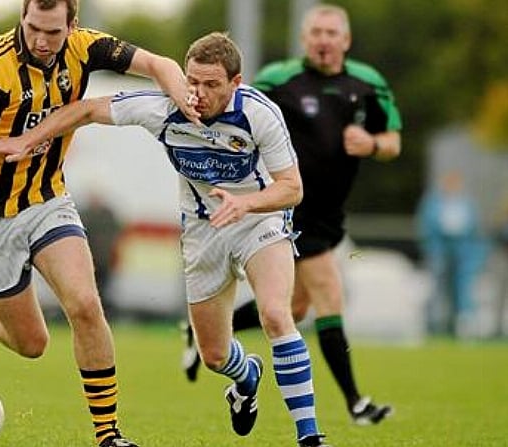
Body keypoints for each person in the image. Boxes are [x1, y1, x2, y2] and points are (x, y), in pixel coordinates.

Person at [0, 31, 331, 447]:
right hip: (203, 230)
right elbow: (88, 110)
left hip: (259, 221)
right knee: (214, 354)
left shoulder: (259, 114)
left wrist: (246, 205)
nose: (197, 93)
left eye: (211, 84)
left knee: (275, 315)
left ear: (236, 83)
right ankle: (245, 376)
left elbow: (291, 188)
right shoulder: (164, 108)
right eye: (192, 81)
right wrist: (28, 139)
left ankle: (309, 436)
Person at [0, 1, 199, 446]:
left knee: (85, 305)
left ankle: (108, 435)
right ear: (22, 17)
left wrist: (183, 96)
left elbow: (158, 63)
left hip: (46, 199)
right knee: (31, 345)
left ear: (71, 25)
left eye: (53, 32)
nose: (40, 40)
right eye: (33, 27)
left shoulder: (86, 47)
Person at [181, 4, 402, 426]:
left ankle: (209, 330)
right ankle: (353, 402)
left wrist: (371, 144)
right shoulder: (279, 79)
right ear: (305, 38)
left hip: (328, 212)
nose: (323, 39)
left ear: (346, 40)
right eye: (316, 31)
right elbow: (233, 105)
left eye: (331, 33)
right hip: (282, 206)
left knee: (294, 307)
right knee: (323, 296)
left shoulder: (367, 84)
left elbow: (393, 141)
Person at [417, 169, 486, 336]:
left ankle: (458, 325)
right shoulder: (432, 202)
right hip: (440, 248)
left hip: (462, 249)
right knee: (437, 287)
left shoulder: (467, 203)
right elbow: (425, 226)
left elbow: (474, 228)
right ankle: (434, 324)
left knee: (461, 288)